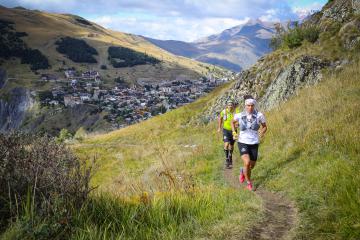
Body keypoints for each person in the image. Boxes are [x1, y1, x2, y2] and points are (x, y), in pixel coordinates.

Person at [231, 95, 267, 191]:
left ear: (254, 106)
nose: (250, 107)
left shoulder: (259, 115)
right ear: (245, 105)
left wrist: (262, 132)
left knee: (251, 166)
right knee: (246, 162)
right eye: (248, 105)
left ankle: (242, 171)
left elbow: (264, 126)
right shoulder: (239, 115)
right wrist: (234, 132)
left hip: (254, 142)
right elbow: (232, 122)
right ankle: (249, 183)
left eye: (252, 105)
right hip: (243, 142)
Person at [217, 100, 239, 169]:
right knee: (226, 144)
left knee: (231, 146)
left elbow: (239, 119)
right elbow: (220, 119)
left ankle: (230, 156)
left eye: (231, 105)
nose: (230, 106)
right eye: (229, 105)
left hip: (233, 131)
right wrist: (219, 127)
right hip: (226, 130)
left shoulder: (236, 111)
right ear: (227, 106)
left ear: (233, 105)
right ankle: (227, 159)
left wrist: (238, 124)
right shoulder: (224, 112)